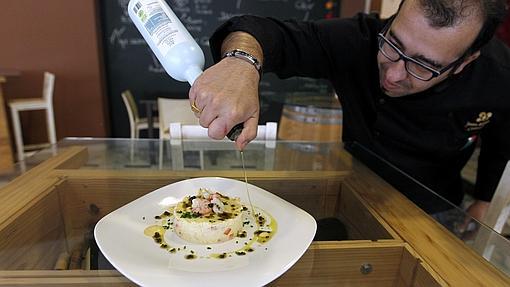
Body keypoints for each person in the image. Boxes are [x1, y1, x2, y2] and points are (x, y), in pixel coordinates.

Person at [189, 0, 510, 220]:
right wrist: (242, 62)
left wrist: (484, 200)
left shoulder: (500, 76)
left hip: (433, 205)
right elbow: (272, 35)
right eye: (394, 44)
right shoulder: (358, 39)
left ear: (466, 61)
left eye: (423, 66)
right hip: (354, 188)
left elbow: (503, 140)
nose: (394, 74)